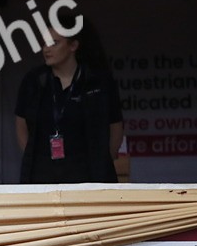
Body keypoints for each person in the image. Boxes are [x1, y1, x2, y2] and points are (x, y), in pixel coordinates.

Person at [15, 15, 124, 184]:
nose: (46, 49)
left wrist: (101, 162)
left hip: (88, 174)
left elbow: (115, 127)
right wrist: (34, 158)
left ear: (73, 45)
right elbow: (21, 124)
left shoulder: (97, 81)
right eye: (44, 43)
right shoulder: (34, 80)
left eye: (54, 43)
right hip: (42, 174)